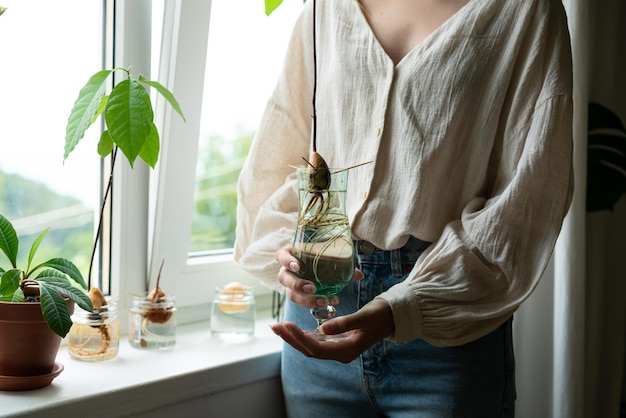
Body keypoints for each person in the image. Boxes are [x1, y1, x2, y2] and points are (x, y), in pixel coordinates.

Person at [234, 0, 573, 416]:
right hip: (318, 320)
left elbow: (530, 191)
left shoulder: (525, 11)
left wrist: (408, 307)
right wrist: (288, 248)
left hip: (446, 329)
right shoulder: (325, 8)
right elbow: (282, 151)